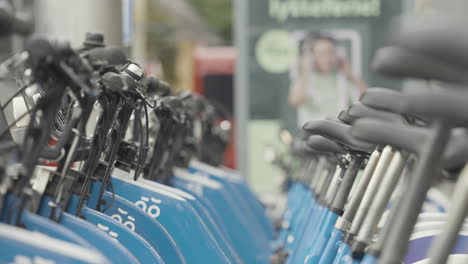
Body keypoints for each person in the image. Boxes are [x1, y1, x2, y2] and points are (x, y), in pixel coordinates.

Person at [288, 32, 367, 127]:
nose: (328, 58)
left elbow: (366, 100)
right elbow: (296, 100)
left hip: (340, 133)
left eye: (331, 52)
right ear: (311, 56)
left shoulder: (342, 79)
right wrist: (306, 71)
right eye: (323, 53)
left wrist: (351, 74)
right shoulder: (305, 79)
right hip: (313, 134)